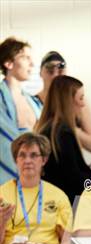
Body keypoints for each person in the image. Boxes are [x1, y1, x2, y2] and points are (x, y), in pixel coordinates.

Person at [35, 75, 91, 205]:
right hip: (65, 205)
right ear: (68, 101)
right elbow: (74, 180)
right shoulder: (62, 134)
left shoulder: (48, 130)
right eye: (81, 98)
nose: (83, 104)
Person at [35, 51, 91, 155]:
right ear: (40, 73)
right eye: (50, 71)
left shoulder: (78, 102)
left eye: (60, 71)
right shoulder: (31, 103)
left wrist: (68, 127)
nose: (56, 75)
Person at [0, 37, 42, 184]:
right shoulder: (1, 100)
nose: (32, 64)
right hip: (6, 181)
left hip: (36, 178)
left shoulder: (34, 102)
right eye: (25, 58)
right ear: (8, 63)